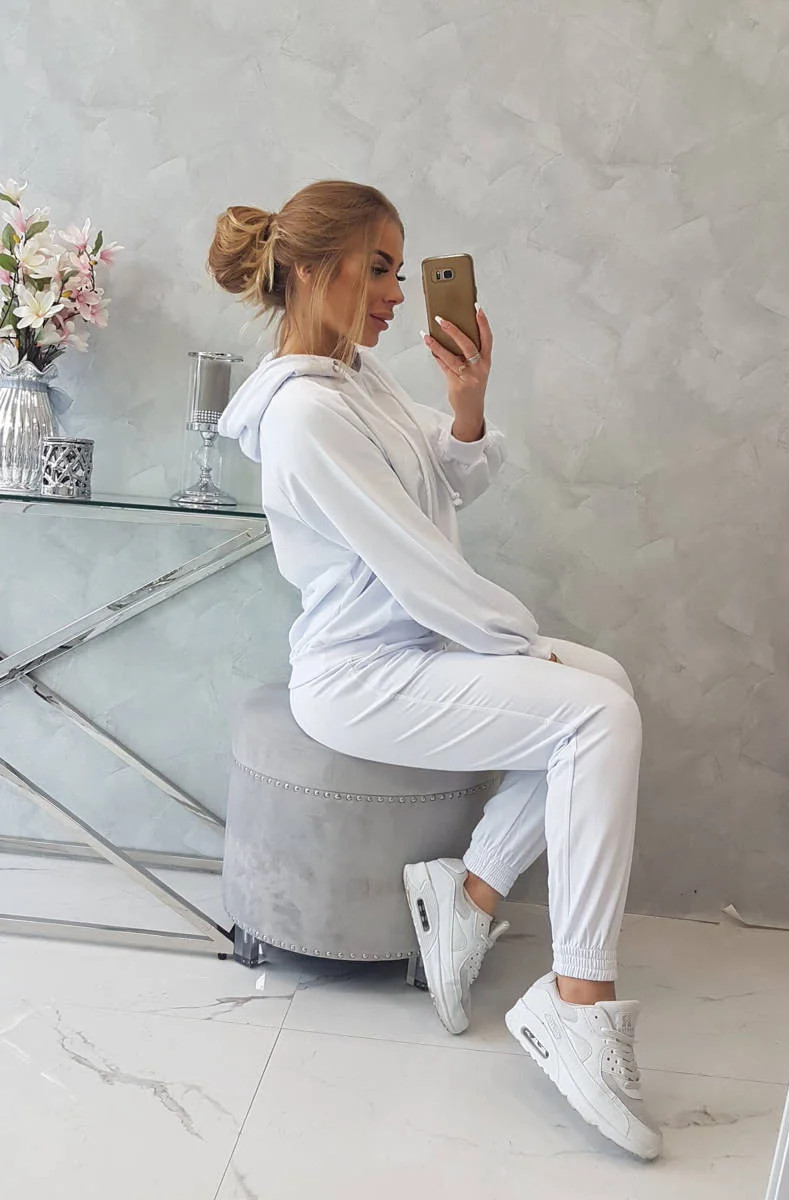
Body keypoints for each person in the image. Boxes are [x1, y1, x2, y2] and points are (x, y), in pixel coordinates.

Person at [208, 179, 662, 1161]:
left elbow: (449, 479)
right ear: (314, 270)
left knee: (608, 688)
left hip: (414, 645)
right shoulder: (303, 416)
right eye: (378, 270)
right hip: (361, 674)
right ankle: (577, 1005)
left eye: (401, 273)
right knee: (594, 716)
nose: (395, 295)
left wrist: (466, 405)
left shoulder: (354, 381)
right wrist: (519, 643)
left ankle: (468, 897)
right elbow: (418, 569)